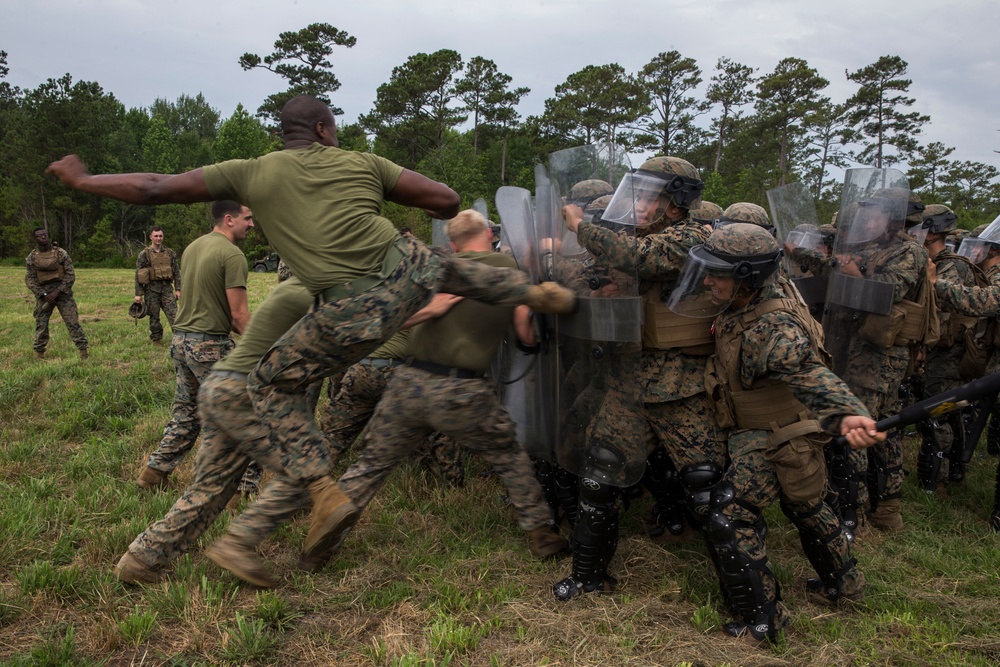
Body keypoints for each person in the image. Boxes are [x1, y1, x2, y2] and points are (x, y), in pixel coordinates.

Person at [46, 94, 575, 563]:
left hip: (289, 346)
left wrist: (84, 181)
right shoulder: (358, 182)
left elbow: (155, 186)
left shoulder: (254, 175)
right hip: (341, 319)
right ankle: (314, 495)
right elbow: (443, 211)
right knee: (433, 270)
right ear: (323, 129)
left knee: (244, 434)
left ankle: (189, 543)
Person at [315, 209, 568, 567]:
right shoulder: (507, 269)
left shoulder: (437, 270)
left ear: (452, 242)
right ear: (488, 233)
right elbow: (525, 332)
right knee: (509, 456)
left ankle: (323, 543)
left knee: (371, 466)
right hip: (461, 387)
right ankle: (542, 534)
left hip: (409, 382)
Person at [674, 222, 883, 643]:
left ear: (749, 277)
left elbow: (809, 373)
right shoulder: (762, 288)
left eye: (719, 273)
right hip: (769, 424)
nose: (708, 280)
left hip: (778, 433)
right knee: (806, 506)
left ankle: (764, 621)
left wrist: (847, 413)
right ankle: (846, 584)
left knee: (728, 514)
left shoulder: (773, 327)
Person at [552, 157, 727, 600]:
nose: (639, 202)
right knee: (599, 474)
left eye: (650, 195)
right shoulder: (630, 238)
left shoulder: (692, 236)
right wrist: (600, 291)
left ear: (674, 203)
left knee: (705, 486)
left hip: (678, 385)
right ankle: (589, 578)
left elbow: (642, 259)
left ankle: (746, 596)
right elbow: (610, 278)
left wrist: (580, 227)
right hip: (627, 379)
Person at [134, 201, 255, 492]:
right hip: (210, 345)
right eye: (248, 218)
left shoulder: (193, 247)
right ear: (229, 219)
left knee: (187, 414)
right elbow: (238, 317)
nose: (252, 225)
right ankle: (240, 492)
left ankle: (153, 474)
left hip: (181, 341)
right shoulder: (233, 255)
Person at [320, 296, 468, 487]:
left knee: (334, 435)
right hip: (395, 374)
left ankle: (302, 485)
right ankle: (452, 482)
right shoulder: (419, 302)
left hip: (360, 372)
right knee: (438, 429)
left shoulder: (374, 296)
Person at [911, 205, 981, 491]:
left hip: (947, 350)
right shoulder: (936, 261)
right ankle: (954, 471)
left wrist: (922, 347)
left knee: (938, 412)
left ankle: (936, 481)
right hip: (941, 347)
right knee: (948, 410)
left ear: (932, 230)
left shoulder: (951, 265)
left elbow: (941, 310)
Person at [25, 227, 88, 360]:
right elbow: (30, 279)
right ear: (34, 239)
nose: (43, 237)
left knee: (73, 322)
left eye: (45, 235)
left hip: (63, 293)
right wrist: (43, 294)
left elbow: (70, 275)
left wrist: (57, 292)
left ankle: (83, 353)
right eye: (39, 236)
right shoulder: (32, 257)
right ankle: (39, 354)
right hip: (44, 295)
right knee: (41, 324)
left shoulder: (60, 253)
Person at [134, 225, 181, 345]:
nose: (158, 238)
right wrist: (138, 294)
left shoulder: (170, 253)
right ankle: (156, 340)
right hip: (151, 290)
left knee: (174, 315)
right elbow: (138, 274)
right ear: (151, 237)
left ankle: (179, 339)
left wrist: (178, 289)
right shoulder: (144, 254)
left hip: (166, 289)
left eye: (160, 236)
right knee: (154, 317)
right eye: (156, 236)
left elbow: (176, 272)